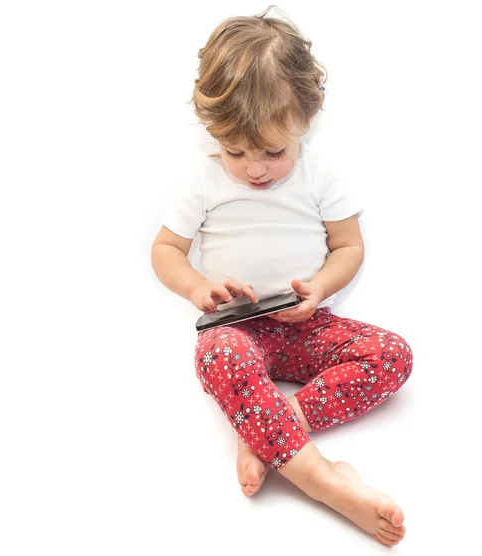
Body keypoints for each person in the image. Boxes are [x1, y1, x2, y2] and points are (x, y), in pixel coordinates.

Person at [151, 6, 413, 548]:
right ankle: (324, 480)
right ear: (212, 132)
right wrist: (199, 288)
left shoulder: (320, 174)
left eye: (274, 151)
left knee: (394, 354)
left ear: (306, 119)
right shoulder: (202, 179)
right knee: (218, 353)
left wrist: (321, 286)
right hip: (238, 331)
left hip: (307, 322)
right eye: (235, 152)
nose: (254, 168)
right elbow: (166, 250)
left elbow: (348, 245)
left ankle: (269, 425)